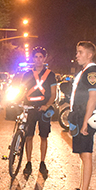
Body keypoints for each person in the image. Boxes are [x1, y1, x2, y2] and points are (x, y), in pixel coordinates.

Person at [64, 41, 96, 190]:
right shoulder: (84, 71)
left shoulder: (92, 71)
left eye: (80, 52)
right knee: (82, 154)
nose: (77, 55)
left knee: (86, 155)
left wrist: (85, 122)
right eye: (77, 52)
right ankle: (81, 189)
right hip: (78, 115)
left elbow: (92, 98)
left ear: (89, 54)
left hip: (84, 117)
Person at [20, 46, 58, 176]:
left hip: (43, 109)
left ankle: (42, 162)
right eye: (36, 57)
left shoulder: (51, 75)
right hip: (30, 109)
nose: (38, 59)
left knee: (43, 136)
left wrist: (47, 106)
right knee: (28, 136)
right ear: (33, 58)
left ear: (44, 58)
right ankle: (28, 162)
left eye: (40, 57)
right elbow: (22, 90)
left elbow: (53, 94)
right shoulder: (27, 74)